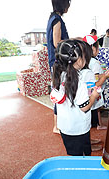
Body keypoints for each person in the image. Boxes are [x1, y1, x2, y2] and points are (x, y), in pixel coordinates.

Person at [50, 39, 101, 156]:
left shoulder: (60, 75)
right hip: (79, 128)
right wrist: (93, 96)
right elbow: (84, 107)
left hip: (65, 127)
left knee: (73, 155)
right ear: (78, 60)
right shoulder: (79, 82)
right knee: (83, 156)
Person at [46, 0, 71, 134]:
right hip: (58, 62)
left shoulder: (52, 18)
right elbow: (57, 42)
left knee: (58, 91)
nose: (68, 7)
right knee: (59, 91)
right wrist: (73, 41)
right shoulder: (57, 19)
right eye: (67, 4)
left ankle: (57, 125)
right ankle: (56, 126)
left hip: (54, 62)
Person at [83, 35, 109, 130]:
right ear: (93, 48)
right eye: (98, 48)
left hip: (86, 91)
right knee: (95, 108)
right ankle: (97, 125)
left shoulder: (85, 60)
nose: (99, 50)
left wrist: (102, 75)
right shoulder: (94, 62)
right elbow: (96, 81)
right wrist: (105, 76)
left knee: (94, 109)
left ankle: (98, 124)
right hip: (93, 91)